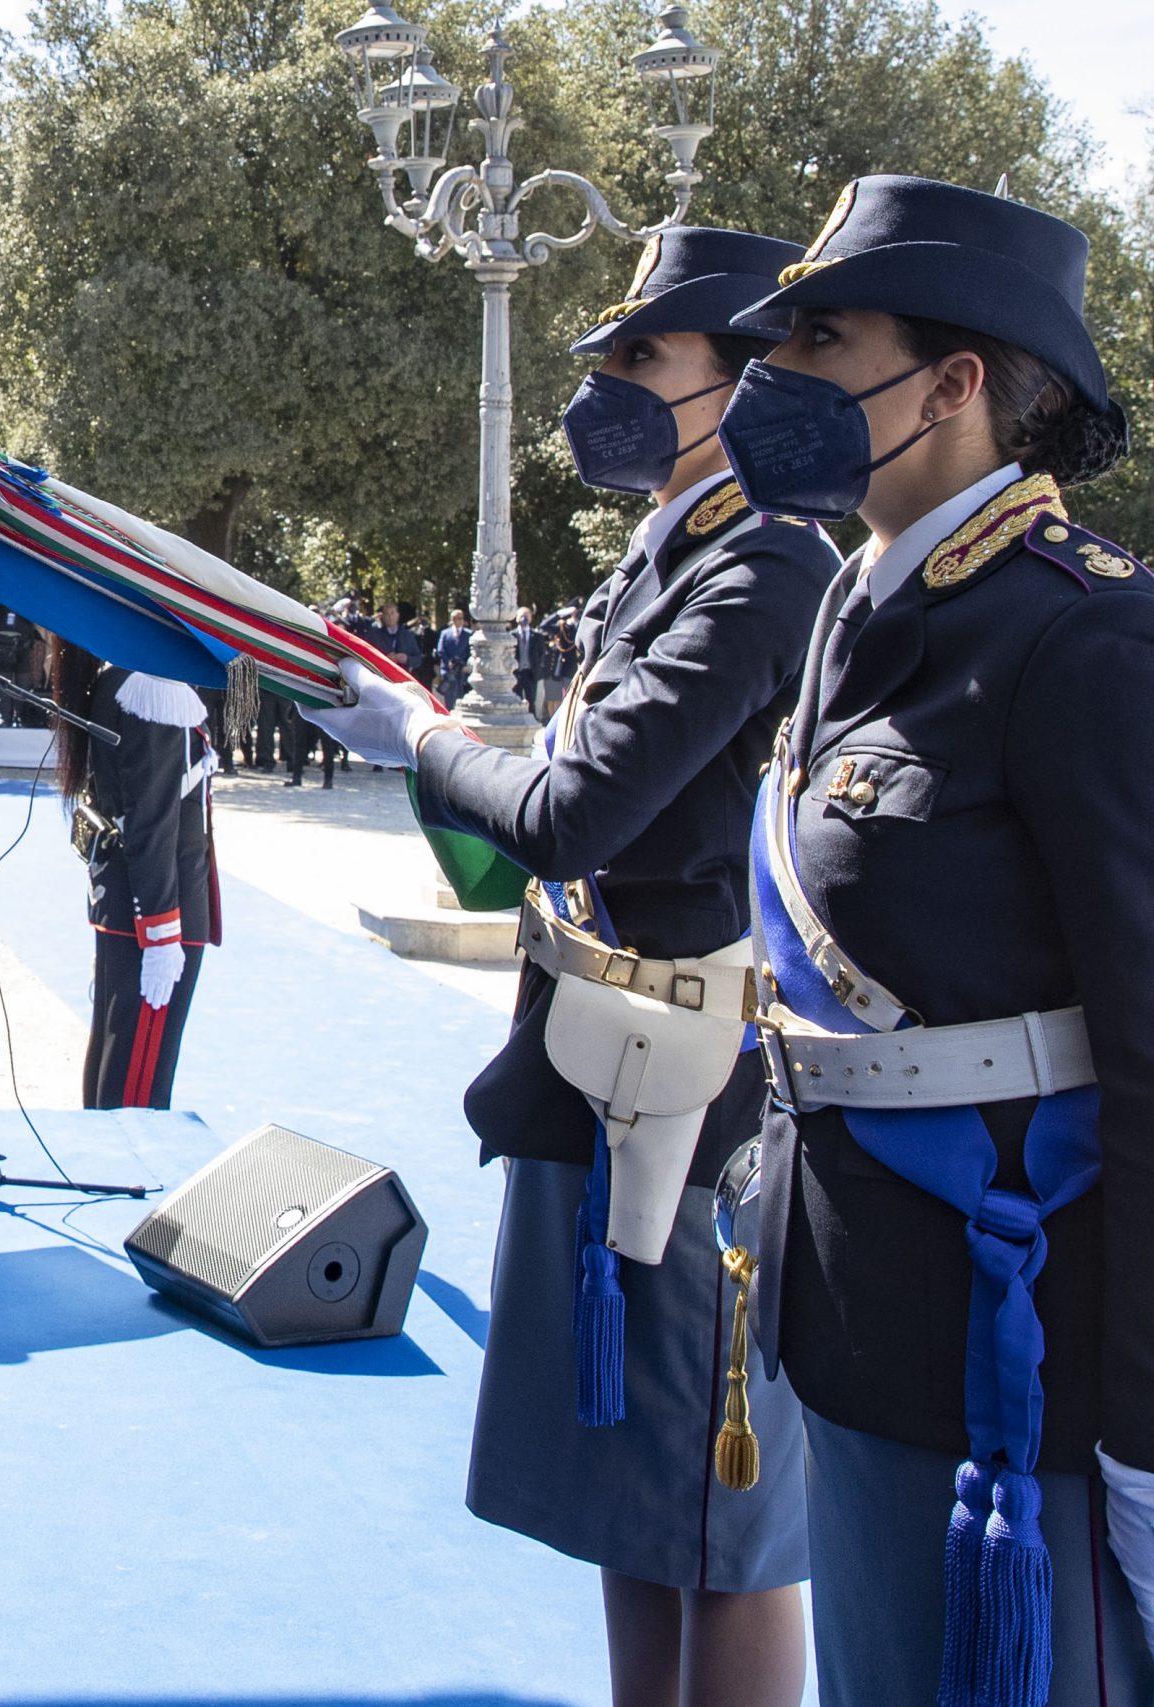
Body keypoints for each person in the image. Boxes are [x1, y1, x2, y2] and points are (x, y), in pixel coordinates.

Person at [307, 227, 840, 1706]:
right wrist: (447, 753)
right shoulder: (671, 556)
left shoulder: (770, 568)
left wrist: (422, 740)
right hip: (599, 1056)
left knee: (716, 1511)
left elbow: (571, 808)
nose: (602, 388)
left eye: (638, 360)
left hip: (697, 1093)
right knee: (630, 1499)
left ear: (739, 388)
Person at [707, 177, 1154, 1704]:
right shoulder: (857, 610)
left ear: (955, 385)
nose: (774, 380)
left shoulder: (1080, 634)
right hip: (862, 1332)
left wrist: (1149, 1437)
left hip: (1027, 1380)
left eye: (823, 338)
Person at [52, 637, 219, 1110]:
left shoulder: (121, 678)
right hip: (160, 909)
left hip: (128, 899)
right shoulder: (153, 689)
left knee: (117, 1051)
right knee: (139, 1077)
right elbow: (152, 823)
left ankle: (108, 1170)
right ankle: (127, 1176)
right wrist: (162, 933)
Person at [434, 607, 473, 705]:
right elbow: (440, 650)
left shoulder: (469, 634)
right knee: (449, 698)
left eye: (461, 618)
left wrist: (465, 665)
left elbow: (471, 651)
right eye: (456, 618)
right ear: (452, 620)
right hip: (449, 670)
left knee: (461, 697)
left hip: (462, 670)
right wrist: (448, 662)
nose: (458, 621)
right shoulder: (445, 633)